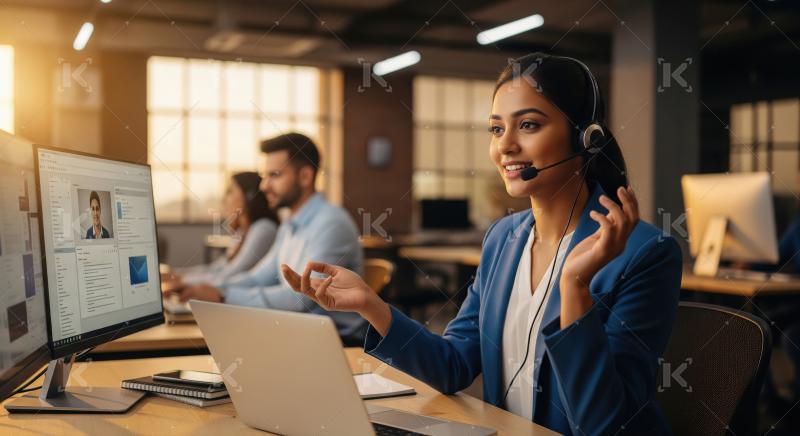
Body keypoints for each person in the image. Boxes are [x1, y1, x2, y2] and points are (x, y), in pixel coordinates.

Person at [281, 53, 683, 434]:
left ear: (585, 140)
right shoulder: (503, 240)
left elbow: (602, 424)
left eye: (528, 125)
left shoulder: (645, 253)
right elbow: (454, 366)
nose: (504, 145)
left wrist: (574, 287)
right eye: (496, 128)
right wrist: (371, 305)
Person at [175, 133, 367, 345]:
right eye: (265, 176)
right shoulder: (288, 225)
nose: (264, 186)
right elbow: (258, 278)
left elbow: (301, 298)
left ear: (305, 176)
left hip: (339, 342)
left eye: (274, 175)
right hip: (300, 332)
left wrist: (223, 297)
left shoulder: (331, 224)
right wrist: (215, 290)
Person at [166, 172, 279, 287]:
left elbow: (231, 274)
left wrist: (182, 281)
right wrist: (174, 274)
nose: (224, 199)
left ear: (249, 196)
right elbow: (217, 268)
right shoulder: (242, 232)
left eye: (230, 192)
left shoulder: (264, 229)